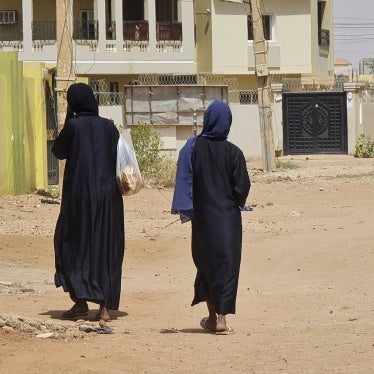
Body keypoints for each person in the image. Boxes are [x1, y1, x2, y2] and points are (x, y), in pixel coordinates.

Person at [171, 100, 251, 334]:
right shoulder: (234, 152)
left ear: (208, 120)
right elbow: (242, 188)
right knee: (227, 267)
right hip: (228, 221)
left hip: (203, 220)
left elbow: (187, 183)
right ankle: (223, 321)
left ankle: (211, 316)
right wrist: (237, 203)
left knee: (205, 266)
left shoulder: (193, 149)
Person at [52, 83, 124, 322]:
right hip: (108, 197)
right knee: (105, 246)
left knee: (73, 243)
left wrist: (68, 119)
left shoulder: (73, 126)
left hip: (79, 198)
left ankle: (80, 302)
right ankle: (104, 308)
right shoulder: (110, 128)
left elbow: (58, 151)